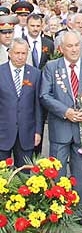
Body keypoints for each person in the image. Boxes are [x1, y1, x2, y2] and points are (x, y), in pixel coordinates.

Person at [40, 31, 82, 226]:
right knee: (57, 171)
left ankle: (77, 210)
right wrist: (66, 111)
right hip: (61, 127)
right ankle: (58, 210)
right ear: (61, 48)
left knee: (81, 172)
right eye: (70, 46)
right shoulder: (51, 67)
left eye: (77, 45)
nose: (74, 49)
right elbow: (45, 95)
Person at [0, 38, 42, 168]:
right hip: (3, 132)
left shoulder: (35, 74)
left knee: (24, 176)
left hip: (26, 133)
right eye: (17, 53)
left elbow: (38, 106)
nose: (20, 57)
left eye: (23, 53)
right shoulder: (1, 72)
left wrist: (38, 131)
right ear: (10, 53)